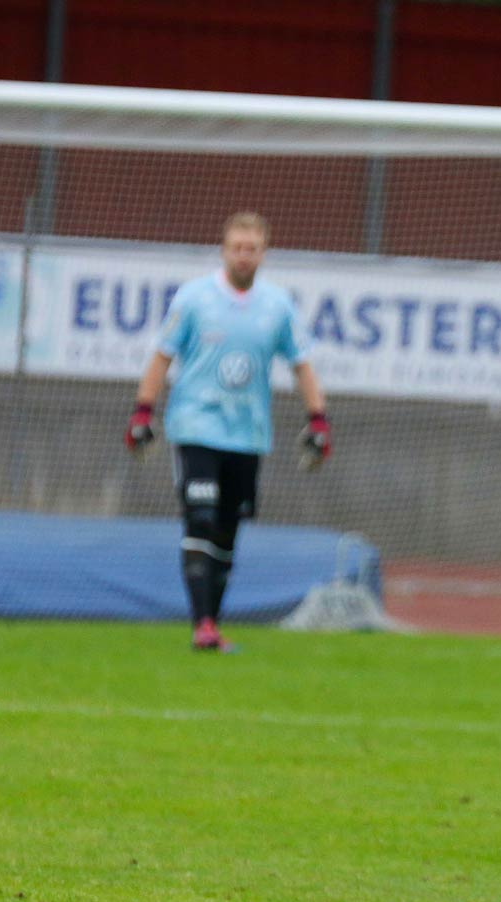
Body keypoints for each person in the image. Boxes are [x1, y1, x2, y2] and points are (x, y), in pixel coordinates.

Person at [124, 211, 330, 652]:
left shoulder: (277, 306)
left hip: (247, 434)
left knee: (226, 530)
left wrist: (318, 420)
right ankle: (202, 624)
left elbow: (302, 364)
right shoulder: (194, 299)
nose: (243, 256)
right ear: (223, 250)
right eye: (236, 247)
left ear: (263, 254)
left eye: (251, 249)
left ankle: (210, 623)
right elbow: (162, 356)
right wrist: (143, 413)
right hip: (195, 426)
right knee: (200, 517)